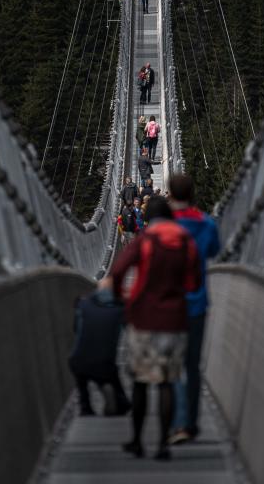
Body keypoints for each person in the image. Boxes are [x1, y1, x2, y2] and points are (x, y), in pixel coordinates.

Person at [108, 196, 201, 460]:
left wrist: (120, 300)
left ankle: (137, 441)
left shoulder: (144, 240)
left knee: (140, 381)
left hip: (144, 319)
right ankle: (162, 445)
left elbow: (118, 272)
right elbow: (194, 282)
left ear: (148, 217)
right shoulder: (184, 240)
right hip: (174, 320)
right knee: (167, 382)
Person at [167, 174, 221, 446]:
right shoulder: (206, 223)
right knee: (193, 365)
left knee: (174, 365)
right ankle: (192, 422)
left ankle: (179, 424)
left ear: (169, 192)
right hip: (198, 304)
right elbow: (214, 250)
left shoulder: (164, 225)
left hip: (170, 304)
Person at [69, 285, 131, 417]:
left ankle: (86, 408)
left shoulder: (83, 304)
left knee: (81, 366)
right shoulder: (121, 309)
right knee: (108, 372)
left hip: (77, 361)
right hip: (105, 363)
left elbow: (76, 329)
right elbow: (130, 332)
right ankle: (118, 398)